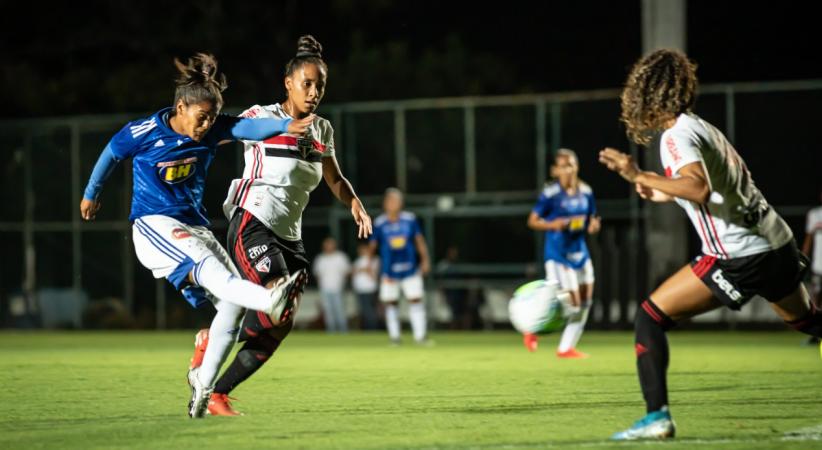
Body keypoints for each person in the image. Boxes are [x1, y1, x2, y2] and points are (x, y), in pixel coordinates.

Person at [79, 53, 314, 418]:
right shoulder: (145, 131)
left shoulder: (214, 127)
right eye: (201, 117)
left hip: (195, 227)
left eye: (211, 118)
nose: (206, 125)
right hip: (153, 224)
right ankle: (269, 300)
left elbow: (246, 129)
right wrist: (92, 193)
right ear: (181, 107)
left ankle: (203, 386)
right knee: (219, 279)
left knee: (232, 308)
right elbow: (111, 153)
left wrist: (284, 125)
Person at [599, 49, 814, 440]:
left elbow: (697, 187)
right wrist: (663, 192)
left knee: (650, 317)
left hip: (739, 255)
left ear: (648, 92)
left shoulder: (675, 135)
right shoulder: (702, 127)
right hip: (777, 244)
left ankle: (657, 417)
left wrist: (637, 174)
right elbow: (716, 190)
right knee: (809, 322)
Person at [187, 36, 372, 416]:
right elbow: (216, 131)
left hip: (290, 236)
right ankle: (213, 350)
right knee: (274, 298)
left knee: (281, 322)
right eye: (307, 82)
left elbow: (334, 177)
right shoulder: (261, 117)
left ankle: (217, 390)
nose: (315, 91)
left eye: (320, 84)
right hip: (252, 221)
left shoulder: (322, 130)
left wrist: (355, 202)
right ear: (287, 82)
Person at [526, 149, 600, 358]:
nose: (568, 170)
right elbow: (532, 221)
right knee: (572, 303)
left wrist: (593, 224)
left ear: (577, 167)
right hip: (558, 254)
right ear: (554, 170)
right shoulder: (550, 194)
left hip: (580, 252)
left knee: (585, 303)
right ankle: (532, 327)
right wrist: (551, 224)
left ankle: (566, 347)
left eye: (571, 165)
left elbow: (592, 217)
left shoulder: (586, 191)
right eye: (563, 166)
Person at [370, 187, 432, 345]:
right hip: (389, 270)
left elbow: (419, 241)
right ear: (385, 203)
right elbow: (372, 246)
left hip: (410, 268)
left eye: (396, 200)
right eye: (390, 200)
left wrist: (425, 260)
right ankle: (395, 337)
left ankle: (420, 336)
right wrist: (371, 265)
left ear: (401, 203)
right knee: (391, 302)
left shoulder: (409, 219)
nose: (393, 203)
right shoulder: (379, 223)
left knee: (416, 299)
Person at [313, 237, 352, 332]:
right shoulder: (320, 258)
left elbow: (347, 272)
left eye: (331, 244)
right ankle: (331, 331)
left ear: (334, 246)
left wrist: (342, 283)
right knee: (328, 312)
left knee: (340, 310)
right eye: (327, 245)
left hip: (338, 288)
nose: (329, 246)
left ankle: (343, 331)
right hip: (325, 289)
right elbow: (317, 274)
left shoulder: (341, 257)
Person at [352, 242, 380, 330]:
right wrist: (361, 270)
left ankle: (372, 329)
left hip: (370, 289)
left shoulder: (375, 260)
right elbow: (353, 272)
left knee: (370, 311)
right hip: (359, 289)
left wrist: (364, 270)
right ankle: (367, 328)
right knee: (363, 311)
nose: (361, 251)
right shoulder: (357, 261)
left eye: (364, 249)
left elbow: (374, 274)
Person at [802, 188, 822, 309]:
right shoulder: (814, 214)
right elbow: (808, 239)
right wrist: (804, 257)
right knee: (817, 292)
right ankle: (816, 322)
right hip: (818, 264)